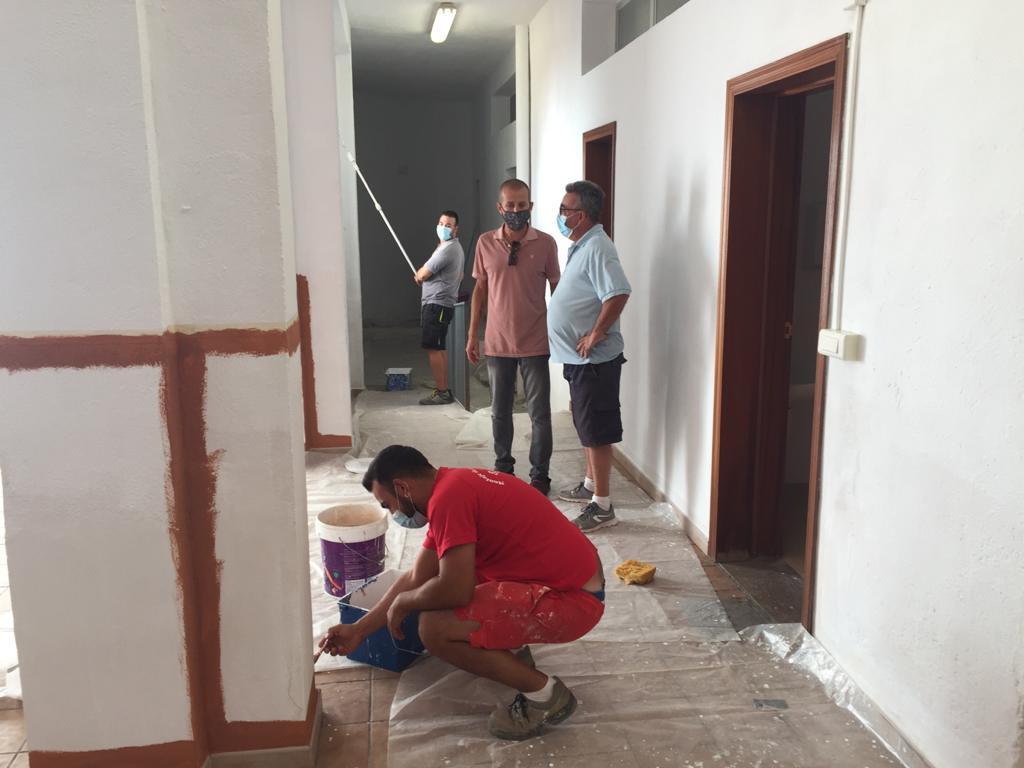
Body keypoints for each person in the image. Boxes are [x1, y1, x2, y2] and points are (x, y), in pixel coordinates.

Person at [318, 445, 605, 740]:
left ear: (402, 488)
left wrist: (405, 602)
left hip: (574, 602)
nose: (392, 514)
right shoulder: (451, 486)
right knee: (445, 580)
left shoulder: (448, 499)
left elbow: (456, 590)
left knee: (434, 627)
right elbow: (417, 576)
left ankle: (546, 696)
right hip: (575, 582)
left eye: (387, 504)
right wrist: (359, 629)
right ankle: (514, 652)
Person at [547, 181, 632, 532]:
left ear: (580, 215)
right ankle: (589, 485)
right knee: (585, 425)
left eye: (564, 210)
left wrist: (596, 333)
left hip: (595, 363)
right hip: (580, 360)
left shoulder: (597, 246)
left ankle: (603, 505)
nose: (560, 215)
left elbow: (618, 293)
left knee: (596, 430)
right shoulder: (582, 245)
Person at [466, 179, 560, 494]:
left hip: (535, 342)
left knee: (539, 414)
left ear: (530, 206)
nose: (516, 211)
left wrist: (561, 331)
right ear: (500, 207)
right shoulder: (485, 243)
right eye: (511, 205)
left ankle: (540, 476)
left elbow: (557, 290)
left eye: (522, 205)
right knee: (500, 412)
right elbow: (480, 290)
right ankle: (503, 469)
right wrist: (472, 335)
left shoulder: (545, 244)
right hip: (497, 342)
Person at [415, 210, 465, 406]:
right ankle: (442, 389)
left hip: (437, 305)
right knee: (438, 347)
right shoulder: (447, 247)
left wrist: (419, 275)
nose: (443, 227)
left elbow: (423, 274)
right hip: (438, 305)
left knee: (433, 348)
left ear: (455, 229)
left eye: (448, 225)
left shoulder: (448, 250)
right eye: (441, 223)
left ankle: (442, 392)